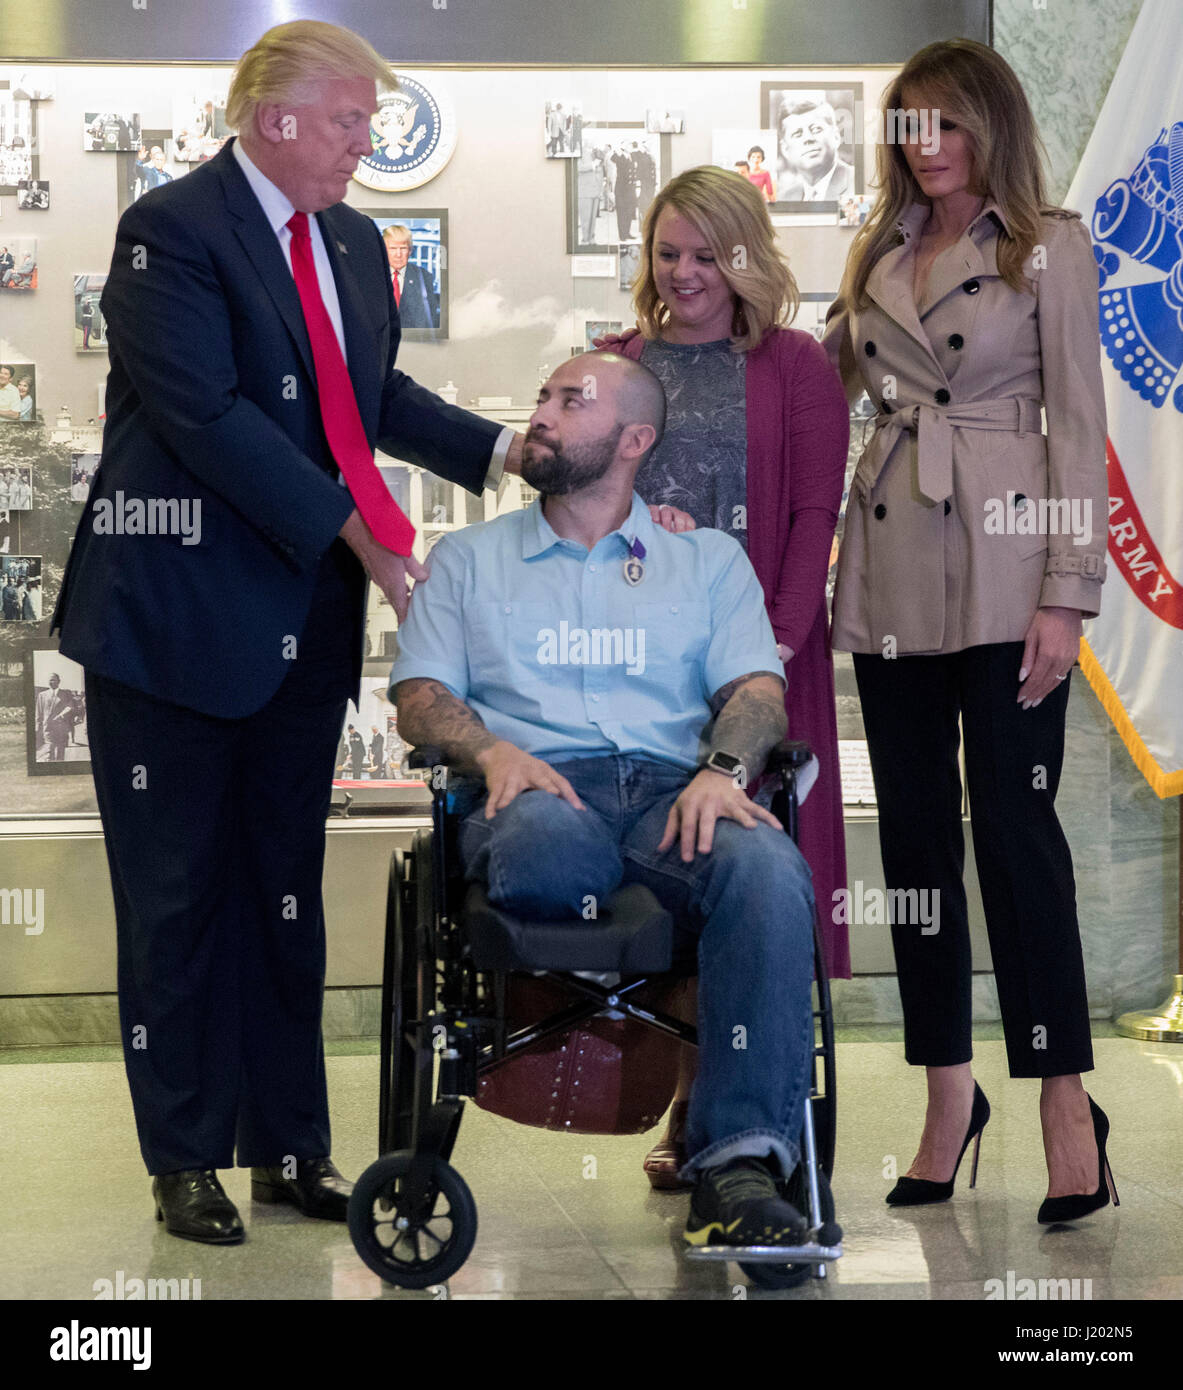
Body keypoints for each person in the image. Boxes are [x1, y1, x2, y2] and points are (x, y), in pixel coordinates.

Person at [51, 19, 530, 1248]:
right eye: (351, 121)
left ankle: (289, 1144)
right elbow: (207, 416)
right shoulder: (171, 232)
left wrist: (499, 449)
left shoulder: (359, 242)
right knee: (178, 899)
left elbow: (365, 396)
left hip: (299, 627)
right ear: (276, 121)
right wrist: (360, 535)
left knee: (282, 895)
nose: (369, 141)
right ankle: (185, 1156)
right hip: (172, 623)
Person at [391, 351, 820, 1250]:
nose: (540, 413)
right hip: (531, 787)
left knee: (768, 865)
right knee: (550, 845)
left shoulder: (704, 561)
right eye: (542, 393)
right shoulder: (466, 561)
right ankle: (602, 1023)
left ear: (634, 440)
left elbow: (755, 692)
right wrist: (489, 747)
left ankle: (736, 1166)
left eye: (567, 400)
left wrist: (724, 770)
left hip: (674, 797)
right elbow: (420, 697)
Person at [821, 39, 1113, 1221]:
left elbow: (1079, 423)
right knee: (911, 850)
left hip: (1007, 566)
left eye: (944, 122)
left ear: (989, 123)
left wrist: (1067, 591)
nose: (925, 145)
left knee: (1013, 831)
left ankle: (1061, 1096)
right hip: (891, 561)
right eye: (908, 126)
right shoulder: (876, 248)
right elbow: (818, 383)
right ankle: (948, 1093)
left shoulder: (1048, 243)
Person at [593, 164, 850, 1188]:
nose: (687, 273)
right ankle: (690, 1101)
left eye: (709, 253)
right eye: (669, 253)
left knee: (759, 883)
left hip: (763, 673)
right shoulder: (617, 362)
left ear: (748, 257)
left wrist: (768, 658)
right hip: (642, 682)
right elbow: (577, 519)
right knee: (677, 886)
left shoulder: (793, 366)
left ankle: (750, 1112)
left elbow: (809, 523)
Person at [778, 98, 854, 202]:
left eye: (816, 129)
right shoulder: (783, 199)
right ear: (785, 149)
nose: (808, 138)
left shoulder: (858, 183)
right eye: (797, 134)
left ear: (836, 137)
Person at [382, 225, 438, 329]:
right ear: (384, 250)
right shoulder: (375, 275)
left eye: (403, 248)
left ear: (410, 251)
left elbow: (430, 318)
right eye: (393, 248)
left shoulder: (424, 277)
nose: (398, 254)